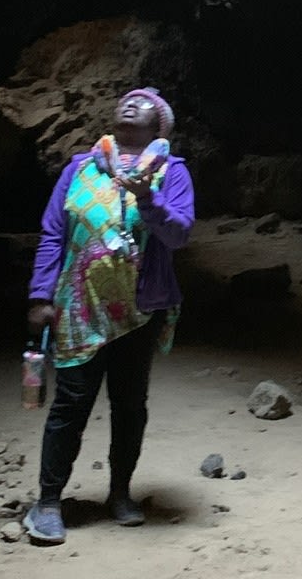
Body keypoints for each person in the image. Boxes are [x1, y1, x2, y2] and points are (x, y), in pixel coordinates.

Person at [24, 87, 196, 545]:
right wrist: (40, 295)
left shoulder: (171, 172)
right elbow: (52, 234)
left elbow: (179, 235)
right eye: (125, 100)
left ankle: (120, 494)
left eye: (141, 104)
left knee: (129, 406)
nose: (128, 104)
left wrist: (147, 198)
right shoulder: (80, 167)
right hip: (79, 306)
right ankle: (47, 502)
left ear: (159, 124)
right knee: (70, 406)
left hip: (139, 312)